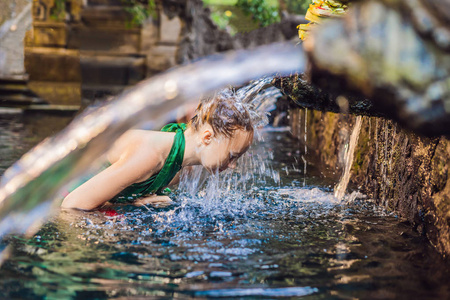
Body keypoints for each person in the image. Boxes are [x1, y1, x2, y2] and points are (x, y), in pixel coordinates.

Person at [61, 89, 254, 211]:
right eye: (232, 156)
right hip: (58, 199)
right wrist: (129, 208)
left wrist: (137, 204)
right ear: (207, 137)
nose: (233, 165)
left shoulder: (182, 167)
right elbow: (72, 205)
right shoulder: (150, 155)